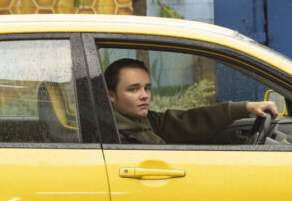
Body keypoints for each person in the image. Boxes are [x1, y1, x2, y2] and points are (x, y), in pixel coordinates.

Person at [105, 58, 277, 144]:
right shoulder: (114, 138)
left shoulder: (146, 121)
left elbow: (189, 121)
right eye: (133, 89)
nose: (144, 95)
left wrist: (245, 107)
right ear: (111, 94)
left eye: (147, 88)